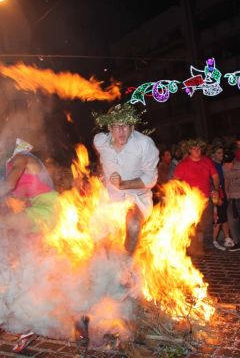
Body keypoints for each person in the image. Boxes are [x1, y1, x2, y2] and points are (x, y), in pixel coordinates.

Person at [93, 102, 159, 255]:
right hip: (109, 197)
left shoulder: (145, 144)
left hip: (136, 196)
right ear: (110, 128)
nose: (121, 131)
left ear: (132, 127)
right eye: (116, 126)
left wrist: (123, 184)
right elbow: (100, 156)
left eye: (125, 126)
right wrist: (101, 172)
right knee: (101, 243)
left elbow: (151, 178)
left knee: (134, 225)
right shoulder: (100, 141)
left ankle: (126, 266)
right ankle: (106, 269)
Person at [174, 139, 220, 255]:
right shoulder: (183, 164)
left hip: (205, 198)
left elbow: (215, 176)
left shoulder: (207, 161)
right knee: (191, 224)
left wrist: (215, 189)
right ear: (189, 150)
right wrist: (180, 195)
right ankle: (192, 247)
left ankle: (208, 246)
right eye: (194, 148)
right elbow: (175, 182)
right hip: (190, 200)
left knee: (208, 223)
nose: (197, 150)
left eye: (199, 148)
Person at [211, 144, 234, 250]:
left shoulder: (223, 165)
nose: (222, 155)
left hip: (224, 193)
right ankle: (214, 240)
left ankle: (227, 238)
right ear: (214, 155)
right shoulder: (213, 166)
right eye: (219, 153)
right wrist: (217, 197)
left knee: (224, 217)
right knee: (218, 218)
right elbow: (212, 183)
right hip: (217, 194)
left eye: (222, 152)